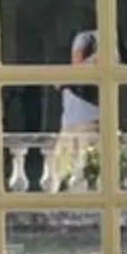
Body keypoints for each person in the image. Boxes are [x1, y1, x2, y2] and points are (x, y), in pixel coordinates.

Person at [49, 29, 101, 189]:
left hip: (90, 125)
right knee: (60, 176)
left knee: (86, 178)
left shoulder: (96, 41)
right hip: (70, 128)